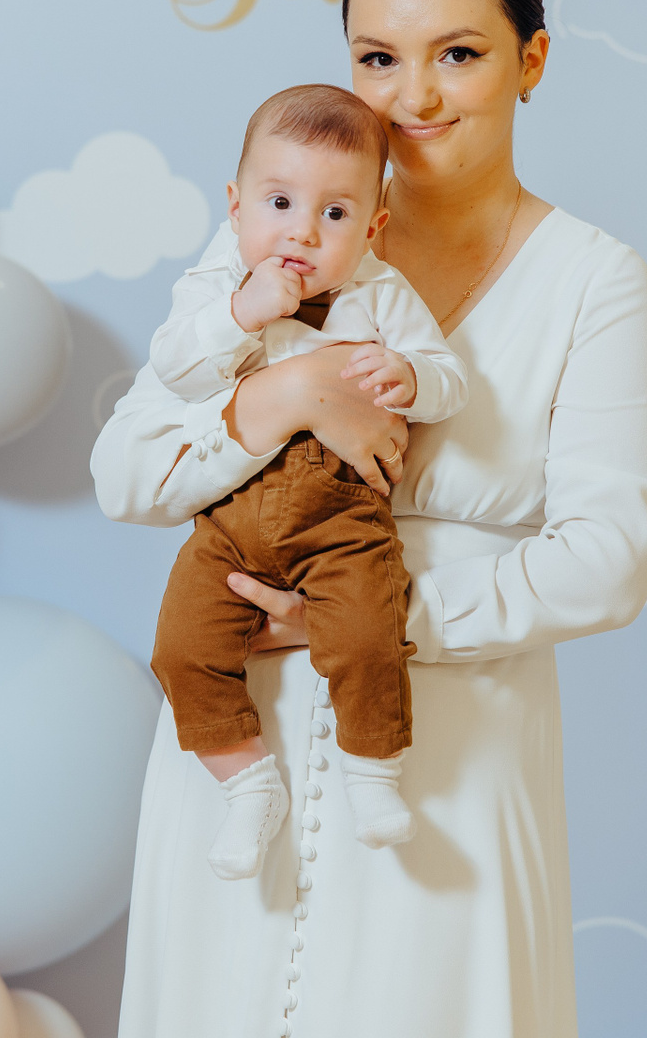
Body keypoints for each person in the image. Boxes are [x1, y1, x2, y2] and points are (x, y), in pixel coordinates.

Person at [94, 0, 647, 1037]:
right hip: (241, 751)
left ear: (531, 60)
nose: (415, 97)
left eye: (458, 54)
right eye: (378, 58)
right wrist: (285, 395)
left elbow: (609, 558)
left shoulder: (592, 280)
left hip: (448, 763)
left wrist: (368, 618)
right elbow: (127, 472)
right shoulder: (287, 233)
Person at [147, 82, 468, 879]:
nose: (302, 231)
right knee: (181, 648)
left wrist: (411, 377)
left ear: (373, 226)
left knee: (367, 633)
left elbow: (451, 382)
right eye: (280, 203)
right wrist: (242, 315)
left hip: (342, 516)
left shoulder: (380, 294)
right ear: (236, 207)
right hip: (231, 516)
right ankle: (247, 784)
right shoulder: (218, 289)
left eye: (334, 213)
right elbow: (176, 369)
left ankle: (375, 774)